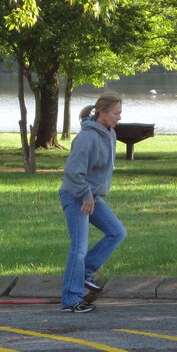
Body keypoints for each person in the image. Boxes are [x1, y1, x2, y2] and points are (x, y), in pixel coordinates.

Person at [59, 93, 127, 313]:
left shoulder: (110, 134)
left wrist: (92, 195)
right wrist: (86, 195)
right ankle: (71, 299)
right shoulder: (87, 137)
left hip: (91, 197)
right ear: (103, 112)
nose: (119, 117)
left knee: (117, 232)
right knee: (79, 247)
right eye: (116, 113)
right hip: (76, 195)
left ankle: (84, 274)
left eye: (120, 113)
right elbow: (72, 172)